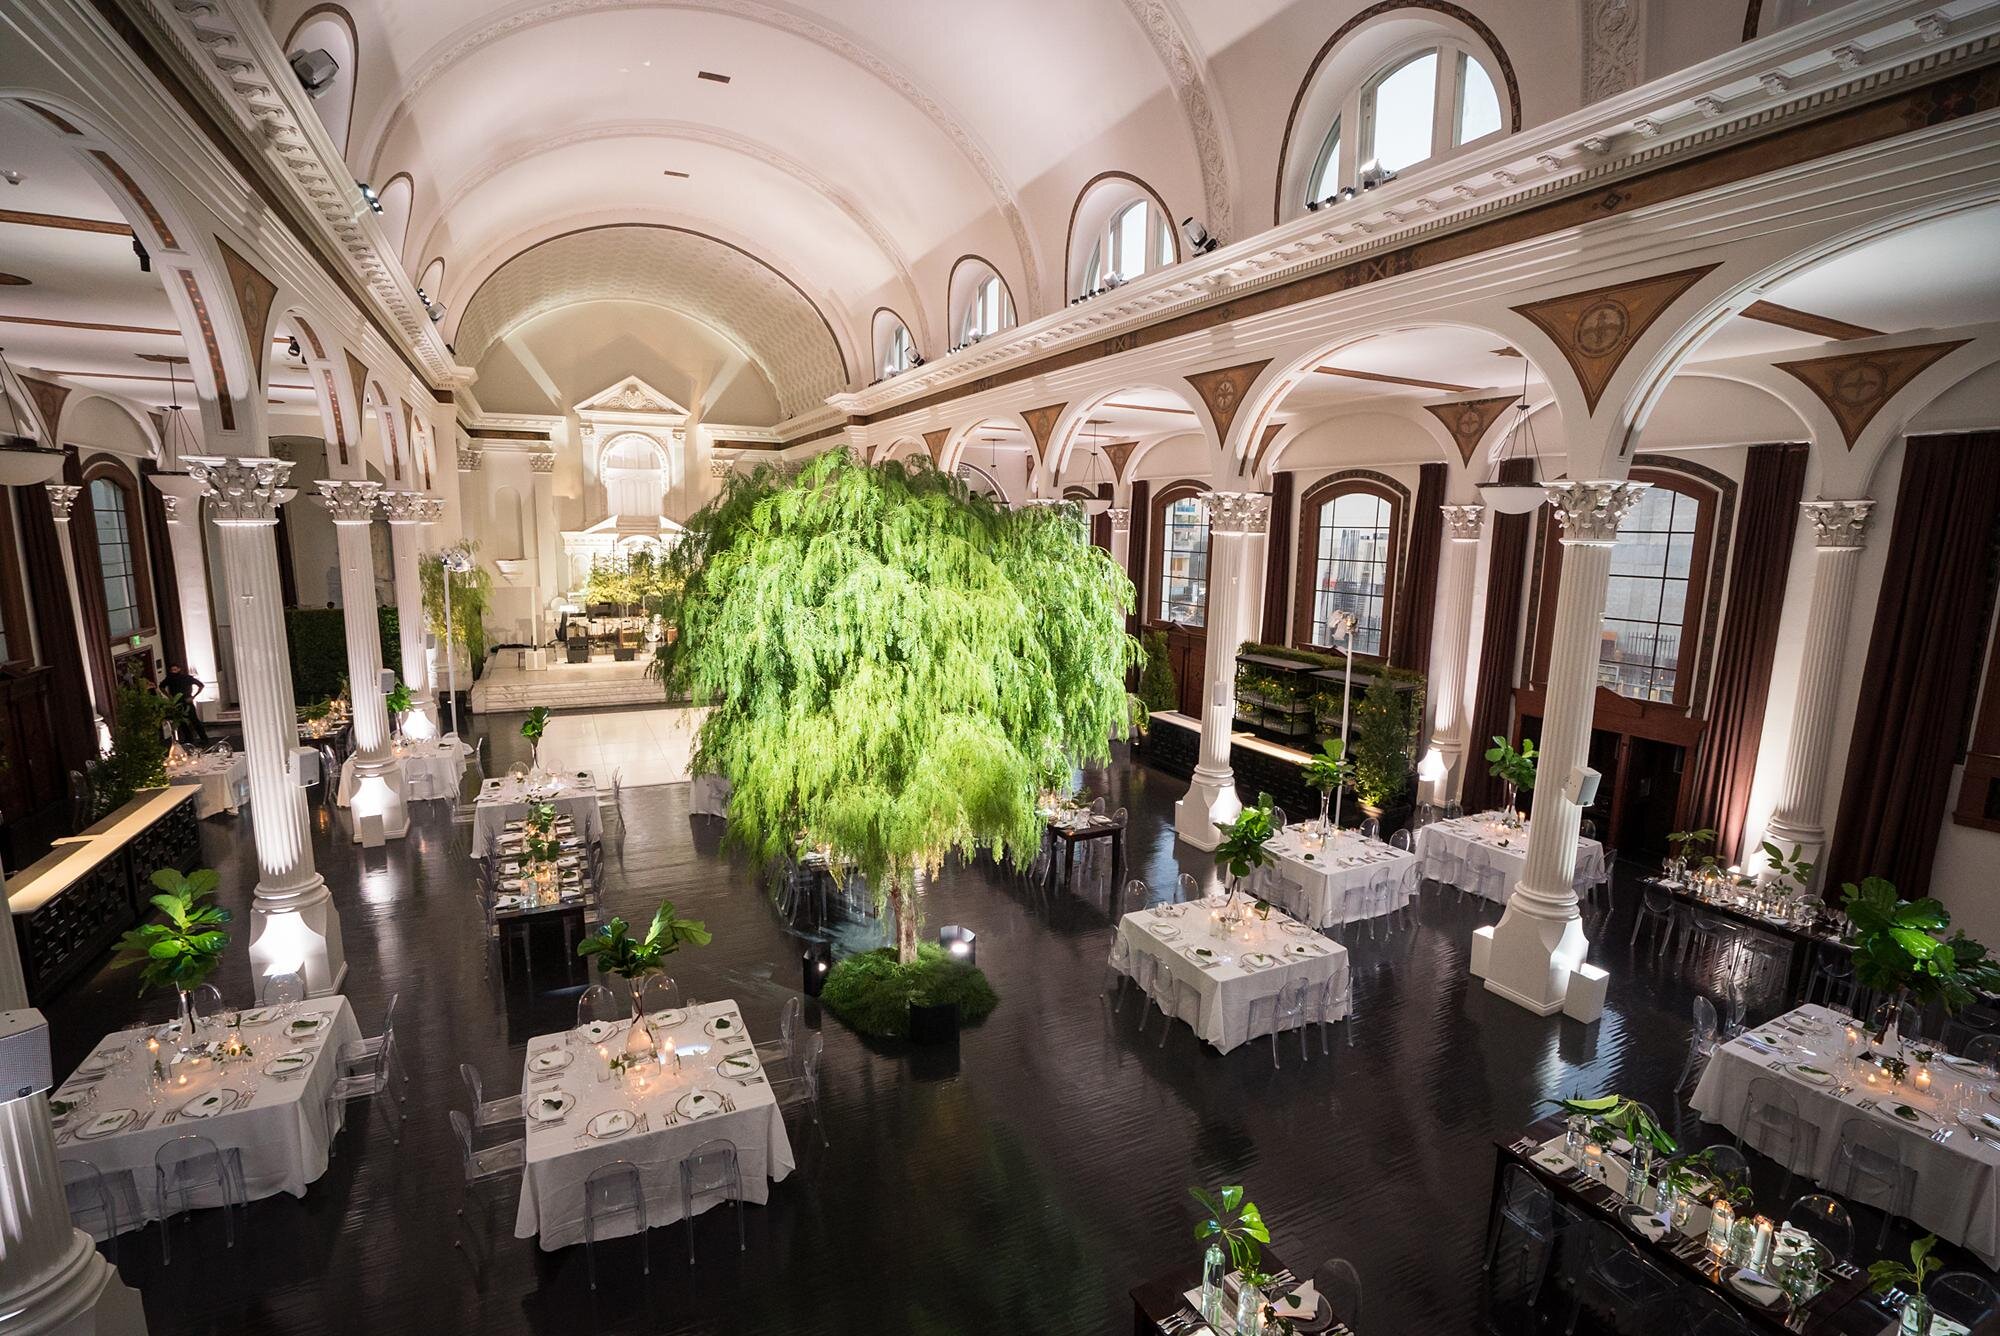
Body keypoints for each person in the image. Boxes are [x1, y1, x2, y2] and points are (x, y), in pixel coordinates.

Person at [161, 663, 209, 743]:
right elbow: (161, 686)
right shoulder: (169, 679)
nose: (173, 672)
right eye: (172, 670)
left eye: (175, 670)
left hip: (187, 701)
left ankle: (204, 738)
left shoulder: (187, 678)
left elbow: (201, 685)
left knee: (194, 720)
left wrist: (193, 696)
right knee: (182, 721)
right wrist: (169, 696)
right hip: (177, 702)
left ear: (179, 669)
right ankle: (189, 739)